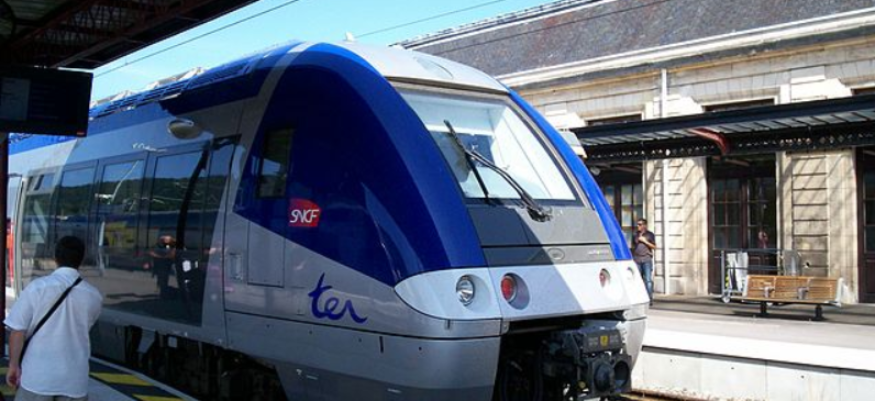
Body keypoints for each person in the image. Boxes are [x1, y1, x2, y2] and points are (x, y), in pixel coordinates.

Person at [5, 236, 103, 401]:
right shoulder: (94, 296)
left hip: (38, 379)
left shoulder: (37, 288)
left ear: (55, 258)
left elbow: (17, 332)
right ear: (81, 260)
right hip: (74, 381)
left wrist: (13, 365)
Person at [631, 218, 657, 303]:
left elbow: (654, 247)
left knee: (648, 280)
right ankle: (639, 298)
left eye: (640, 224)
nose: (638, 226)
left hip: (646, 259)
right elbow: (633, 246)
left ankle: (649, 298)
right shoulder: (635, 234)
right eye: (637, 224)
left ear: (644, 225)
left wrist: (645, 241)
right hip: (637, 259)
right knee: (638, 279)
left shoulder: (650, 235)